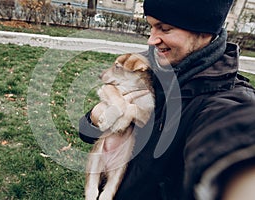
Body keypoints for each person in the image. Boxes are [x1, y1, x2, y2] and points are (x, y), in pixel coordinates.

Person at [79, 0, 255, 199]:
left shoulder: (227, 98)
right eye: (151, 27)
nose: (151, 40)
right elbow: (86, 133)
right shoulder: (146, 65)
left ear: (204, 31)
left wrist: (234, 170)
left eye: (164, 29)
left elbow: (228, 139)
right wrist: (95, 118)